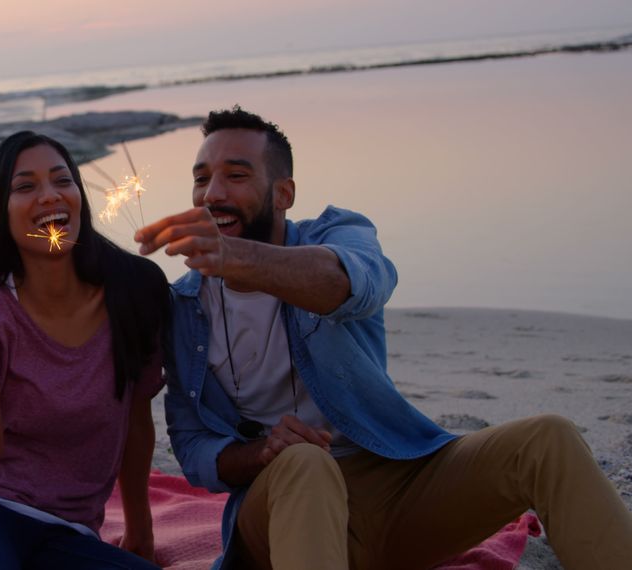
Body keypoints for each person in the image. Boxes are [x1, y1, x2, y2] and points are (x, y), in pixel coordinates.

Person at [133, 106, 632, 569]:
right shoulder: (185, 308)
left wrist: (239, 260)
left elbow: (354, 285)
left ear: (283, 194)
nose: (212, 193)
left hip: (398, 491)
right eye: (202, 180)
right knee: (305, 463)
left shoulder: (338, 235)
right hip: (285, 507)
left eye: (236, 176)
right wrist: (262, 455)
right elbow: (194, 446)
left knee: (548, 439)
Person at [0, 131, 171, 570]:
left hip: (68, 531)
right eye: (25, 187)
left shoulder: (134, 291)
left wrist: (140, 529)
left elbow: (136, 417)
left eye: (62, 181)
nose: (49, 197)